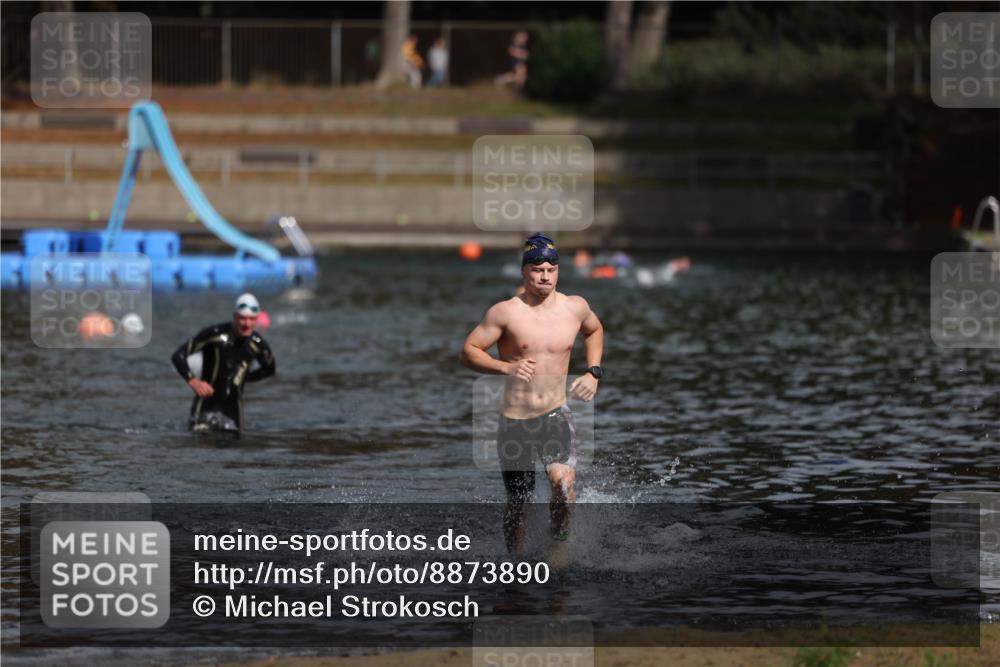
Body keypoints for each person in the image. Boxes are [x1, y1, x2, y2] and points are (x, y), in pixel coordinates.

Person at [460, 234, 604, 554]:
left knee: (563, 483)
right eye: (538, 269)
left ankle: (559, 549)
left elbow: (594, 330)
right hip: (515, 420)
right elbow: (468, 352)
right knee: (519, 503)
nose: (545, 276)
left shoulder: (574, 307)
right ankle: (516, 565)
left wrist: (593, 372)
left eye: (552, 269)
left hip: (555, 413)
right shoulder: (505, 313)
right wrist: (505, 367)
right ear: (525, 272)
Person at [171, 294, 275, 433]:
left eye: (252, 319)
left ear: (257, 320)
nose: (247, 324)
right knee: (198, 447)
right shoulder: (215, 334)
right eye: (243, 318)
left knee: (235, 450)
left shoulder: (257, 344)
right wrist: (193, 381)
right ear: (234, 317)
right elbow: (178, 355)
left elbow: (270, 369)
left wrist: (245, 378)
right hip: (205, 407)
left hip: (233, 413)